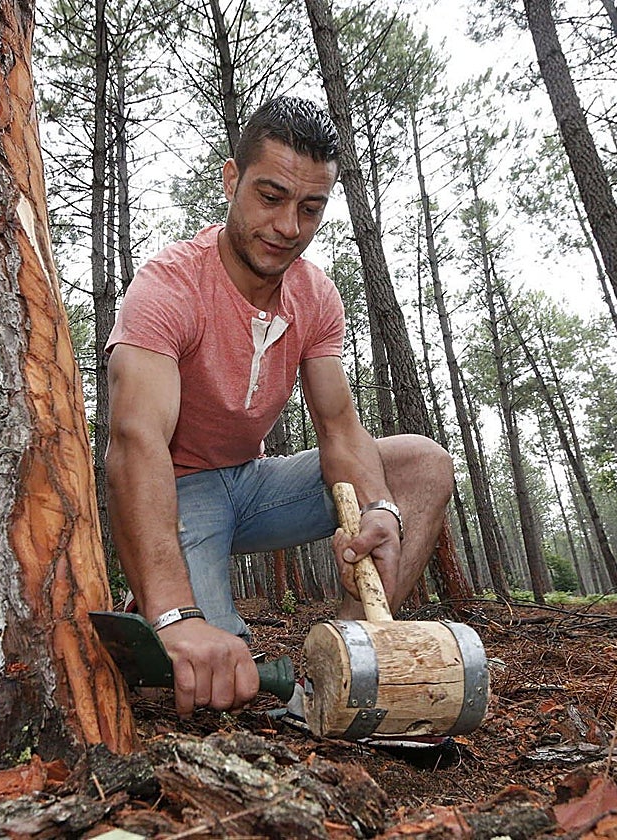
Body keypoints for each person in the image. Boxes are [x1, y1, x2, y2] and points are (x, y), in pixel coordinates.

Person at [104, 96, 453, 718]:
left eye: (310, 207)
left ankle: (345, 669)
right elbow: (135, 442)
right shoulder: (169, 284)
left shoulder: (316, 294)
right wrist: (175, 611)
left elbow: (340, 424)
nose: (289, 226)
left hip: (256, 482)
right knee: (217, 674)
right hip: (179, 489)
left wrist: (379, 510)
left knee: (420, 466)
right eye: (270, 196)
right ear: (231, 180)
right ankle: (156, 602)